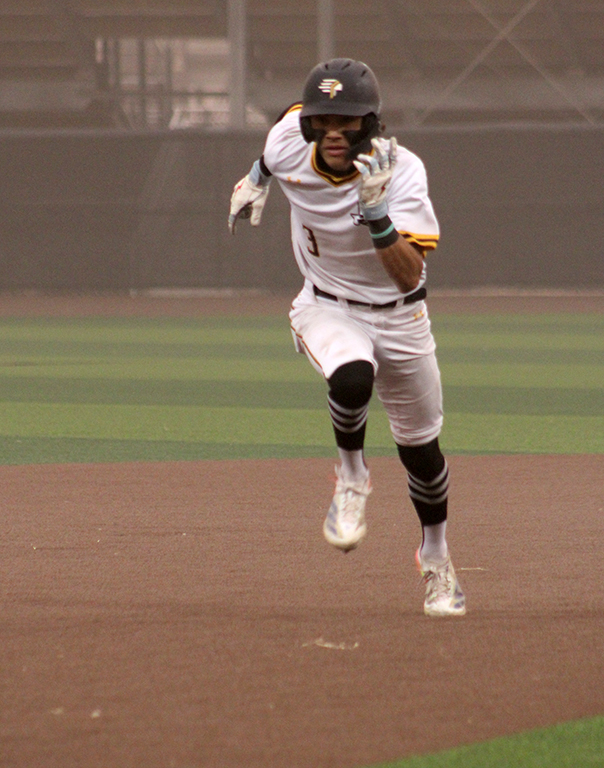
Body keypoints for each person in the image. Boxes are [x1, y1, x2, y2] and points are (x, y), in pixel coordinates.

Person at [228, 58, 465, 617]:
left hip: (402, 315)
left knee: (422, 454)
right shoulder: (288, 138)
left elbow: (410, 275)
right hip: (327, 307)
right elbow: (273, 147)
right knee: (352, 373)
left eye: (349, 121)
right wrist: (255, 180)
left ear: (372, 123)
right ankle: (352, 479)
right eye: (322, 120)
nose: (334, 132)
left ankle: (437, 561)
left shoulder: (402, 170)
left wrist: (377, 214)